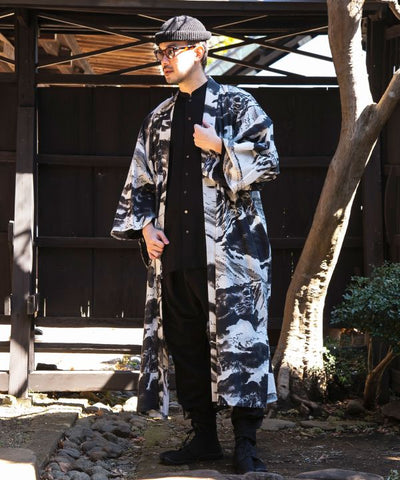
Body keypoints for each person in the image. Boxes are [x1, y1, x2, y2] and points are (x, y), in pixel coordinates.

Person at [111, 15, 279, 474]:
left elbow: (268, 163)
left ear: (199, 52)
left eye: (172, 51)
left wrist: (220, 146)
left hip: (232, 256)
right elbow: (140, 182)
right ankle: (203, 437)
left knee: (242, 343)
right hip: (176, 255)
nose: (163, 60)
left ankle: (246, 444)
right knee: (186, 346)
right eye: (159, 53)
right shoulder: (158, 119)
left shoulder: (238, 105)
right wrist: (146, 228)